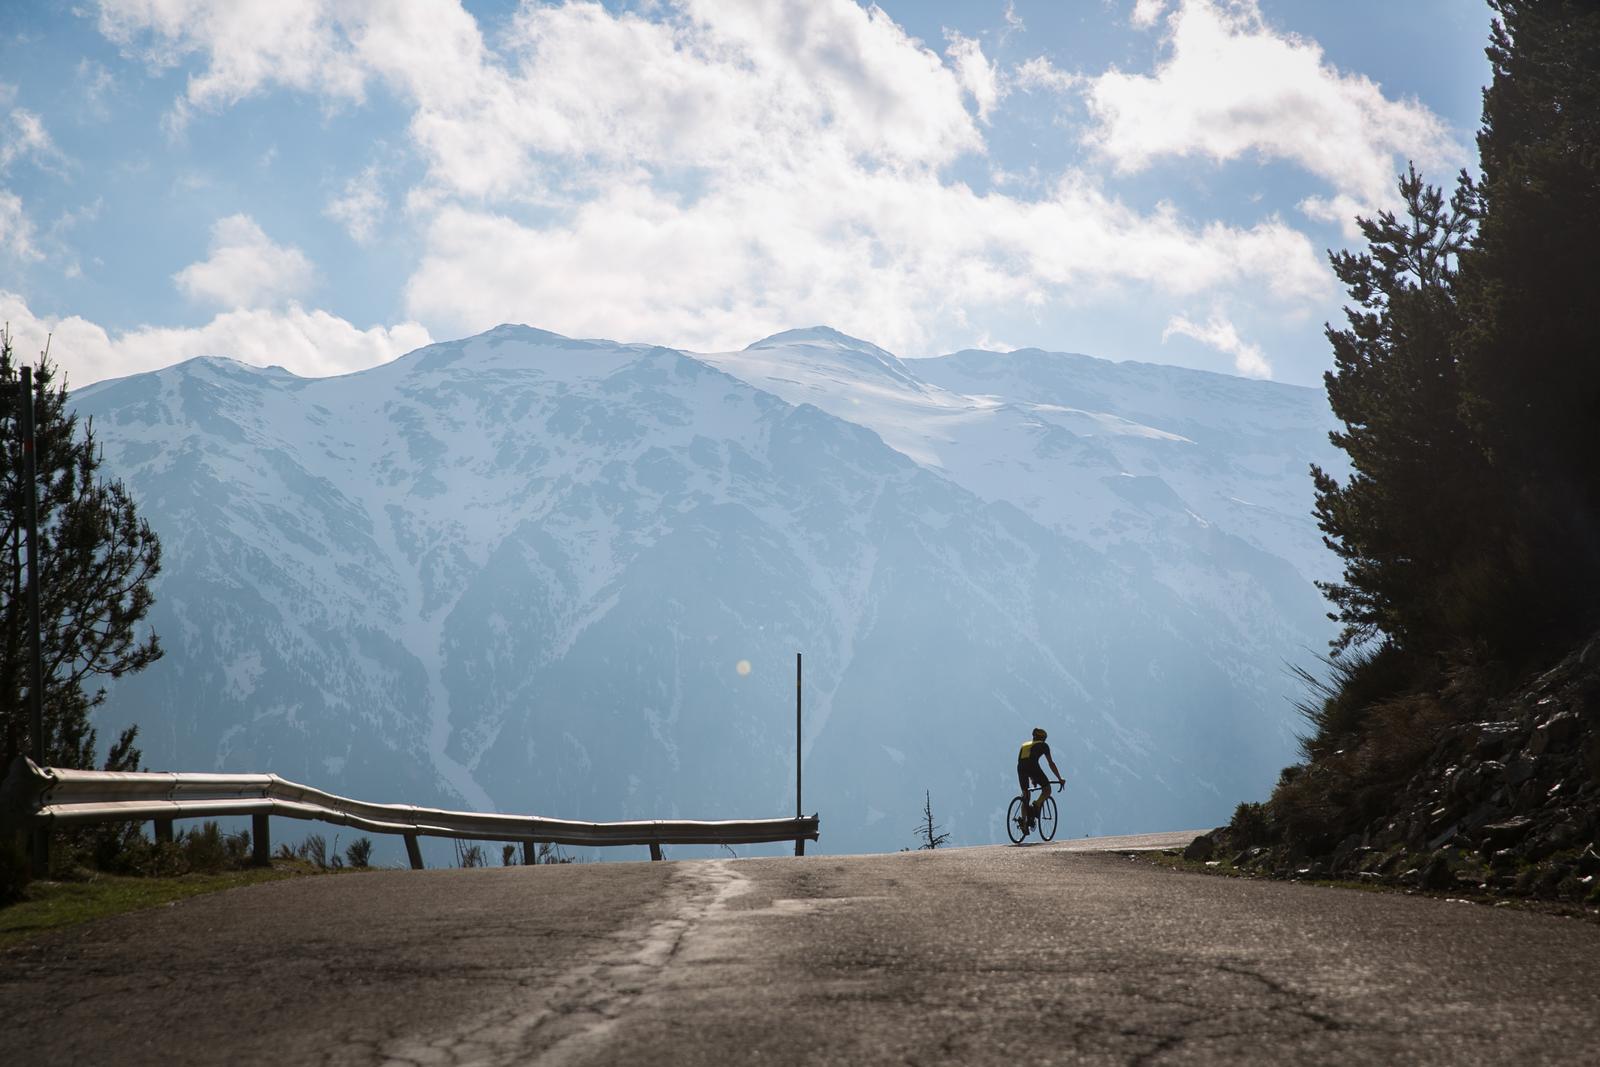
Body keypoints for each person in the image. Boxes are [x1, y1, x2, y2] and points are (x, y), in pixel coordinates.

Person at [1017, 727, 1062, 833]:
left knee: (1025, 795)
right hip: (1033, 767)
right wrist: (1059, 778)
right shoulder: (1044, 745)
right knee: (1047, 789)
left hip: (1020, 768)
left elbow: (1024, 762)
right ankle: (1037, 804)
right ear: (1043, 739)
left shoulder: (1024, 745)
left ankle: (1023, 822)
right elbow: (1051, 763)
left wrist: (1032, 778)